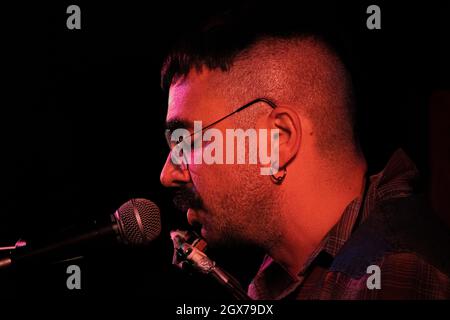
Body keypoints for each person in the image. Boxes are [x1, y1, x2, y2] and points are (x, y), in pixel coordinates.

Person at [159, 3, 450, 299]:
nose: (167, 174)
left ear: (277, 140)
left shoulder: (397, 276)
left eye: (188, 141)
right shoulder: (281, 276)